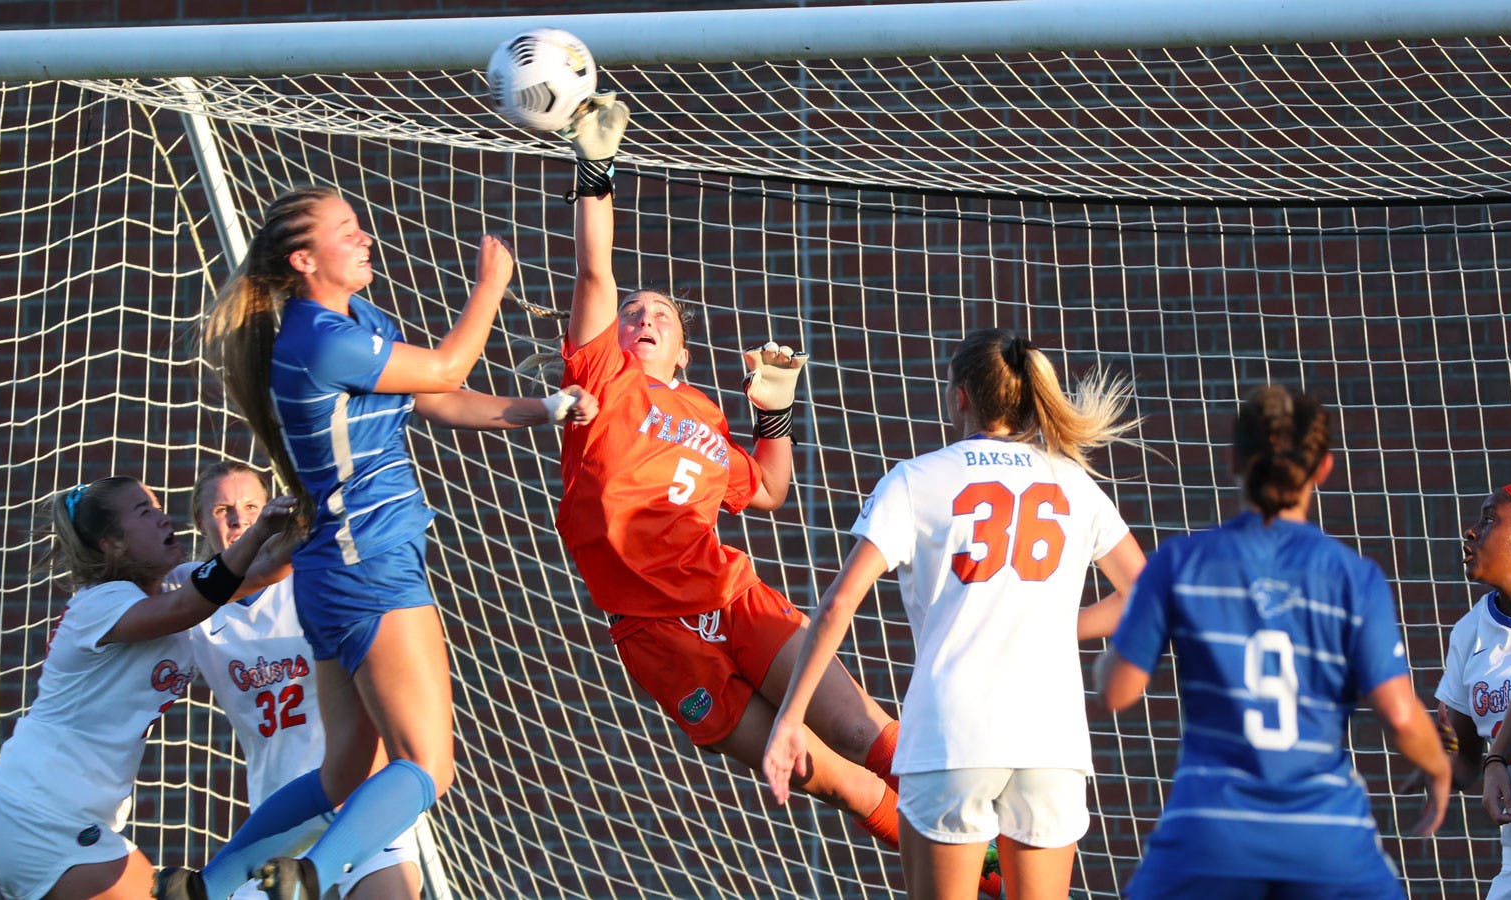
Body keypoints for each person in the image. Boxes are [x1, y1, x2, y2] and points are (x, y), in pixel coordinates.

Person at [548, 95, 1021, 896]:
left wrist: (774, 414)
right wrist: (596, 168)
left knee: (869, 733)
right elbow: (596, 271)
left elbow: (768, 489)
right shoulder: (600, 386)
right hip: (662, 636)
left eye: (659, 312)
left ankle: (1004, 869)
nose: (642, 316)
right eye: (632, 311)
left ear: (685, 350)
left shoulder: (700, 413)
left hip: (736, 598)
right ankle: (971, 883)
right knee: (821, 772)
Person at [164, 186, 599, 900]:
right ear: (304, 260)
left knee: (343, 773)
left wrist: (542, 409)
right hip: (369, 563)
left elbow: (433, 397)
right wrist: (490, 287)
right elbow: (449, 367)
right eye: (346, 232)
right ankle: (310, 877)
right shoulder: (317, 340)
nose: (365, 239)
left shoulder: (352, 322)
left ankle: (207, 887)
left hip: (332, 570)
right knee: (428, 764)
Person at [762, 327, 1147, 900]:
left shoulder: (917, 480)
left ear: (961, 394)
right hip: (1051, 741)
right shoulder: (1073, 481)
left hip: (952, 736)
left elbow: (841, 602)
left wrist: (790, 720)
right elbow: (1143, 590)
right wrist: (1051, 625)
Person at [1098, 384, 1450, 899]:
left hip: (1209, 835)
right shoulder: (1354, 577)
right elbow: (1399, 714)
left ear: (1234, 460)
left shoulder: (1180, 564)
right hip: (1327, 841)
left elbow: (1116, 693)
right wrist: (1438, 766)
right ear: (1324, 468)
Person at [0, 476, 294, 900]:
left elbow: (265, 571)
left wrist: (318, 511)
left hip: (77, 820)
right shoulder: (100, 602)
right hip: (40, 814)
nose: (164, 518)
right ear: (113, 544)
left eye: (159, 506)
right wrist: (256, 533)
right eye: (145, 512)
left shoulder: (178, 581)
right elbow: (190, 605)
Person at [162, 460, 441, 899]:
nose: (239, 518)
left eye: (252, 505)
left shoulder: (311, 578)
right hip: (278, 821)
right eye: (223, 510)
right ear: (200, 522)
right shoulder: (186, 596)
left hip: (358, 804)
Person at [1432, 484, 1511, 899]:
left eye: (1489, 520)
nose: (1470, 531)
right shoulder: (1469, 631)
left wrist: (1498, 757)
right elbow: (1464, 755)